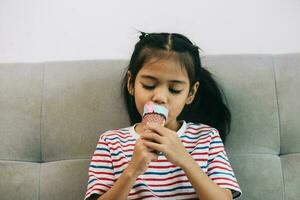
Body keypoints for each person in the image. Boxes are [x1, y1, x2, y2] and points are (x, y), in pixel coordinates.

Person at [84, 32, 242, 200]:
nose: (159, 97)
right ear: (131, 84)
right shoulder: (111, 142)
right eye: (149, 85)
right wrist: (132, 171)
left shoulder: (207, 138)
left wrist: (185, 160)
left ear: (191, 93)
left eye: (174, 89)